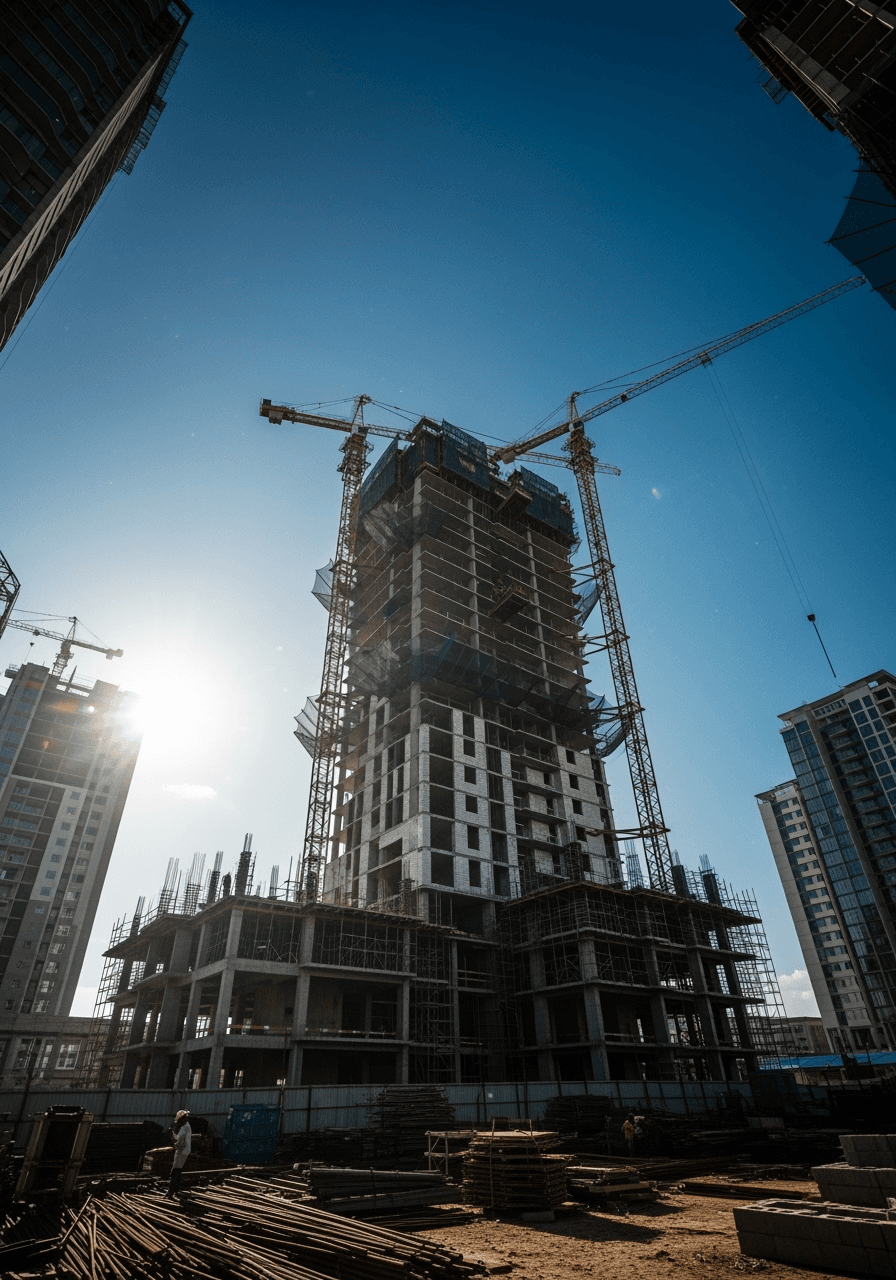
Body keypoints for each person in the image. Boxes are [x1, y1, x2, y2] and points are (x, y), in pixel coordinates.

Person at [167, 1109, 192, 1197]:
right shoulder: (187, 1125)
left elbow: (180, 1139)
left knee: (175, 1170)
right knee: (178, 1170)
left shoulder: (183, 1127)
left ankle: (171, 1191)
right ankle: (176, 1189)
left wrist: (176, 1145)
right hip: (186, 1150)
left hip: (182, 1151)